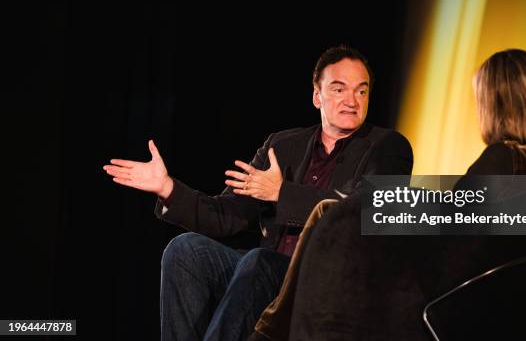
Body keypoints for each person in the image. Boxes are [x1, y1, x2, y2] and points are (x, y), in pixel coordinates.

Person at [102, 45, 414, 341]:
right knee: (185, 251)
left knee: (258, 260)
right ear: (317, 96)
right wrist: (168, 188)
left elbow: (371, 211)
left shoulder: (388, 147)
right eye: (339, 88)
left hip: (323, 285)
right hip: (262, 279)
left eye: (362, 90)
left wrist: (282, 193)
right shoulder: (282, 145)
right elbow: (227, 216)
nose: (352, 99)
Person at [286, 49, 526, 340]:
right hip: (495, 323)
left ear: (495, 103)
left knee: (342, 252)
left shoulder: (502, 160)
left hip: (440, 319)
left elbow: (445, 249)